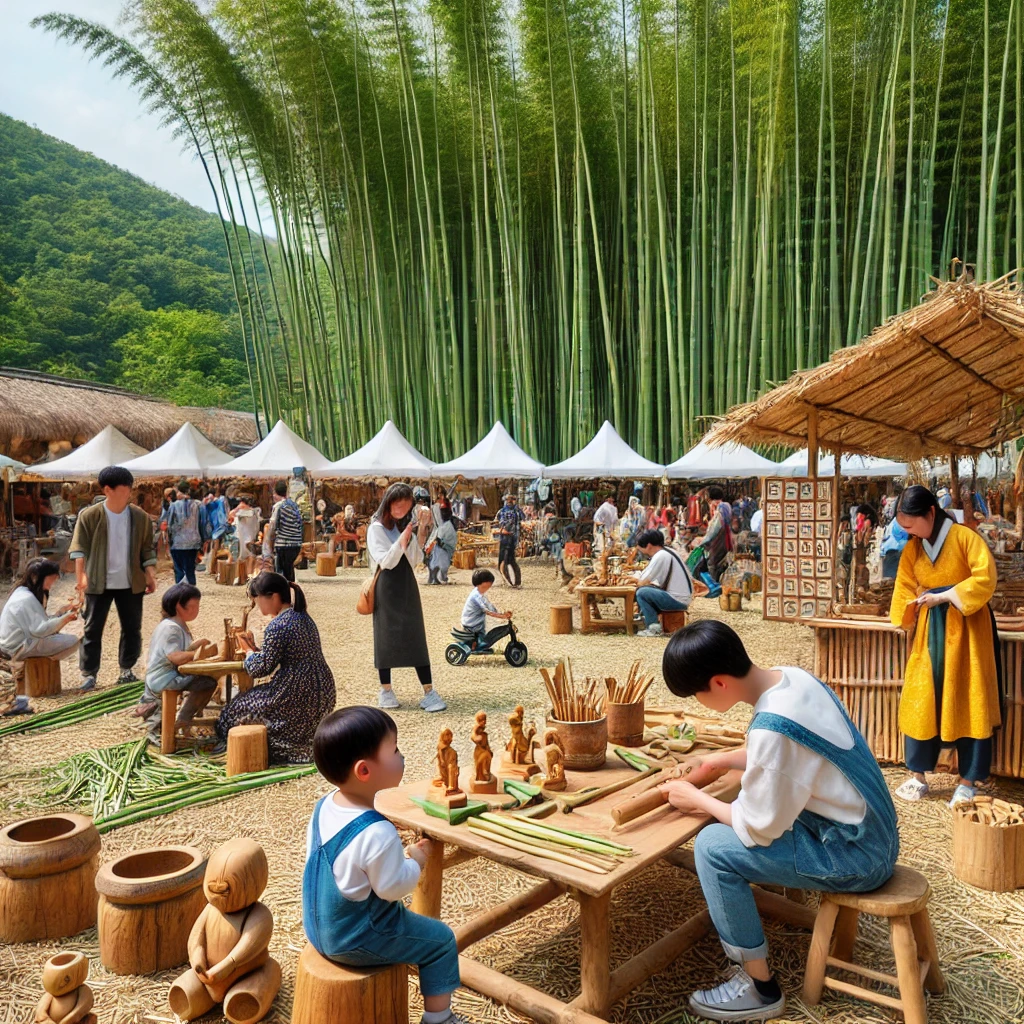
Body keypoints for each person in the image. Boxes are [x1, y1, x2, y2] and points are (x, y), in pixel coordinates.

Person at [658, 620, 898, 1021]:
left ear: (718, 683)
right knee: (727, 830)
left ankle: (759, 988)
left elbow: (755, 827)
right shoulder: (792, 679)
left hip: (855, 856)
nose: (698, 701)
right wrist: (719, 760)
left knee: (713, 848)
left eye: (696, 693)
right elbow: (790, 757)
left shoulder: (773, 729)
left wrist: (695, 799)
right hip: (875, 831)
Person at [303, 707, 465, 1024]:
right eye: (395, 750)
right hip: (355, 938)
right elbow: (392, 889)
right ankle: (439, 1018)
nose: (401, 757)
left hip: (318, 928)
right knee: (442, 941)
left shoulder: (324, 807)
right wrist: (414, 860)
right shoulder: (377, 832)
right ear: (364, 771)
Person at [890, 485, 1001, 807]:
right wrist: (904, 614)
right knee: (921, 698)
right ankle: (918, 775)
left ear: (930, 513)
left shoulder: (966, 538)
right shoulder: (914, 548)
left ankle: (968, 780)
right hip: (929, 629)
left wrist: (947, 595)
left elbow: (985, 578)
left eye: (911, 525)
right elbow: (904, 584)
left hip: (967, 628)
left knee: (969, 697)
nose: (908, 532)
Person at [217, 573, 336, 762]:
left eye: (259, 600)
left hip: (294, 692)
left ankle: (283, 748)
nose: (258, 607)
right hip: (322, 689)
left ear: (273, 597)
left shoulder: (278, 625)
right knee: (247, 704)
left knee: (231, 713)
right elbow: (276, 656)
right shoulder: (303, 617)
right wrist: (257, 650)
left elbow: (261, 668)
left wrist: (248, 652)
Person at [69, 466, 156, 692]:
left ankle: (126, 670)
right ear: (108, 489)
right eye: (124, 488)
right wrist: (82, 579)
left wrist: (150, 574)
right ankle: (88, 674)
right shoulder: (89, 516)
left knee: (132, 627)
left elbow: (147, 550)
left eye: (129, 487)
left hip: (131, 582)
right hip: (98, 582)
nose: (129, 492)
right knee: (92, 628)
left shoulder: (140, 517)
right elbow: (79, 551)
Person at [368, 483, 446, 713]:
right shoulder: (376, 528)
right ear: (388, 502)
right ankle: (386, 690)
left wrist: (421, 530)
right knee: (385, 637)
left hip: (407, 583)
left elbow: (415, 559)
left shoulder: (403, 526)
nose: (401, 506)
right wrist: (403, 538)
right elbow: (385, 561)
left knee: (416, 635)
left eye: (406, 502)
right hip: (386, 586)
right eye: (397, 502)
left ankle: (429, 691)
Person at [137, 583, 217, 742]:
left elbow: (181, 650)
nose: (196, 610)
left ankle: (184, 717)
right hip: (164, 678)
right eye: (193, 606)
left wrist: (196, 645)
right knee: (208, 683)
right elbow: (174, 656)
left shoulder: (176, 625)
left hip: (166, 675)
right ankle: (183, 718)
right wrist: (198, 653)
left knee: (205, 680)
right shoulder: (171, 628)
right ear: (179, 606)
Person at [0, 558, 80, 713]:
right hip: (18, 647)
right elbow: (40, 629)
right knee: (74, 640)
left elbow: (39, 624)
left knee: (64, 637)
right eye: (51, 579)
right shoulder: (27, 598)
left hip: (18, 642)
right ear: (38, 577)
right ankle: (45, 662)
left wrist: (61, 613)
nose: (53, 583)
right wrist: (66, 618)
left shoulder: (21, 592)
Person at [633, 530, 694, 637]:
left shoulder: (661, 555)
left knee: (642, 592)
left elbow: (643, 581)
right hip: (682, 597)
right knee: (647, 590)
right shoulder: (668, 551)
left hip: (677, 599)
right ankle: (646, 620)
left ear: (648, 546)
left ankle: (653, 629)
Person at [163, 482, 204, 585]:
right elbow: (202, 523)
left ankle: (181, 591)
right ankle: (191, 590)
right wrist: (203, 540)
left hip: (178, 543)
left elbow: (170, 525)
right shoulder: (198, 504)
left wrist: (168, 540)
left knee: (179, 569)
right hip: (193, 542)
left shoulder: (173, 506)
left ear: (179, 491)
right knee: (190, 568)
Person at [461, 569, 511, 649]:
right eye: (489, 582)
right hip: (472, 623)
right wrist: (502, 616)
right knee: (491, 630)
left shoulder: (480, 594)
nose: (490, 584)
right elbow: (487, 611)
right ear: (483, 582)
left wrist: (501, 613)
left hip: (478, 621)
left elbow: (490, 606)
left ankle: (479, 644)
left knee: (493, 625)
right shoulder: (476, 596)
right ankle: (477, 645)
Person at [267, 479, 305, 583]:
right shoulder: (293, 505)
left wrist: (268, 544)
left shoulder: (279, 506)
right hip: (296, 543)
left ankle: (285, 594)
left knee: (281, 572)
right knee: (289, 570)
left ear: (275, 493)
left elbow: (272, 526)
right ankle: (291, 591)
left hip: (284, 544)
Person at [691, 486, 732, 582]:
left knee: (713, 569)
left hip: (717, 546)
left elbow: (712, 533)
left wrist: (700, 543)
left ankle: (715, 590)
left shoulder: (720, 510)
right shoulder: (727, 507)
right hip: (725, 544)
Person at [494, 493, 526, 588]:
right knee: (506, 559)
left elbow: (522, 519)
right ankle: (510, 581)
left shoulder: (516, 511)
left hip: (510, 537)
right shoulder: (503, 511)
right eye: (508, 499)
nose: (510, 501)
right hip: (505, 537)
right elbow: (497, 522)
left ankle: (512, 581)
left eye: (511, 499)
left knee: (508, 559)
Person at [229, 495, 262, 574]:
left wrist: (238, 508)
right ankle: (244, 576)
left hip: (247, 538)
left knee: (249, 557)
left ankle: (248, 575)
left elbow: (231, 514)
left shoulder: (250, 512)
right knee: (246, 557)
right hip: (245, 538)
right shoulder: (254, 511)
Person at [426, 504, 458, 585]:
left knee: (437, 560)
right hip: (444, 548)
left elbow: (438, 540)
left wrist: (429, 548)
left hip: (445, 548)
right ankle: (434, 577)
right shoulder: (444, 525)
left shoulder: (445, 526)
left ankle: (436, 577)